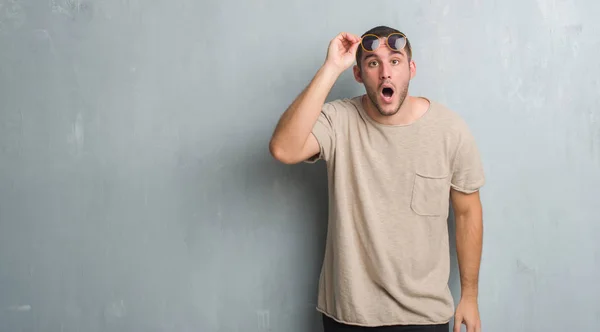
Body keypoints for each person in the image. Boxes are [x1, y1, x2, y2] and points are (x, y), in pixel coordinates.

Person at [268, 25, 485, 332]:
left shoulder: (450, 130)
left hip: (424, 317)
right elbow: (283, 148)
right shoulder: (339, 120)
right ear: (358, 74)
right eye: (373, 63)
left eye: (395, 61)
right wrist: (331, 68)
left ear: (410, 69)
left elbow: (467, 212)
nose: (385, 72)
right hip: (348, 316)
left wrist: (470, 296)